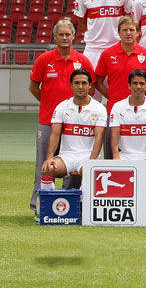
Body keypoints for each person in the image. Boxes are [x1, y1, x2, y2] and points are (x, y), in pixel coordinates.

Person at [28, 19, 94, 210]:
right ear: (55, 37)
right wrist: (51, 106)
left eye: (68, 34)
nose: (65, 38)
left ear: (74, 36)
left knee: (72, 163)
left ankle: (69, 202)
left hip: (74, 124)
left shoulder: (83, 61)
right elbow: (33, 87)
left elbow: (90, 88)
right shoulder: (44, 59)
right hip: (48, 121)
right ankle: (39, 203)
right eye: (61, 34)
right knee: (44, 162)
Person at [95, 15, 146, 158]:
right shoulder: (107, 54)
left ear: (138, 32)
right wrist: (111, 96)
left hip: (139, 112)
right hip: (113, 110)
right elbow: (98, 81)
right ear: (118, 32)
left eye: (131, 30)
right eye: (124, 30)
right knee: (111, 153)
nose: (128, 33)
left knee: (138, 152)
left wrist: (143, 98)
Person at [40, 69, 106, 187]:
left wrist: (91, 162)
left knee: (90, 174)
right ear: (71, 85)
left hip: (88, 156)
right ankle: (49, 199)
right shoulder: (62, 107)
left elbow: (99, 139)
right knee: (48, 169)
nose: (80, 86)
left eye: (84, 83)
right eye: (76, 83)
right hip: (66, 156)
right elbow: (55, 135)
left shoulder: (99, 108)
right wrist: (49, 157)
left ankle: (83, 198)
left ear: (90, 85)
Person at [108, 69, 146, 160]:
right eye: (135, 83)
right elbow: (114, 135)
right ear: (129, 85)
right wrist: (116, 157)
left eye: (142, 83)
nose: (138, 87)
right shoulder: (117, 107)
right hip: (124, 156)